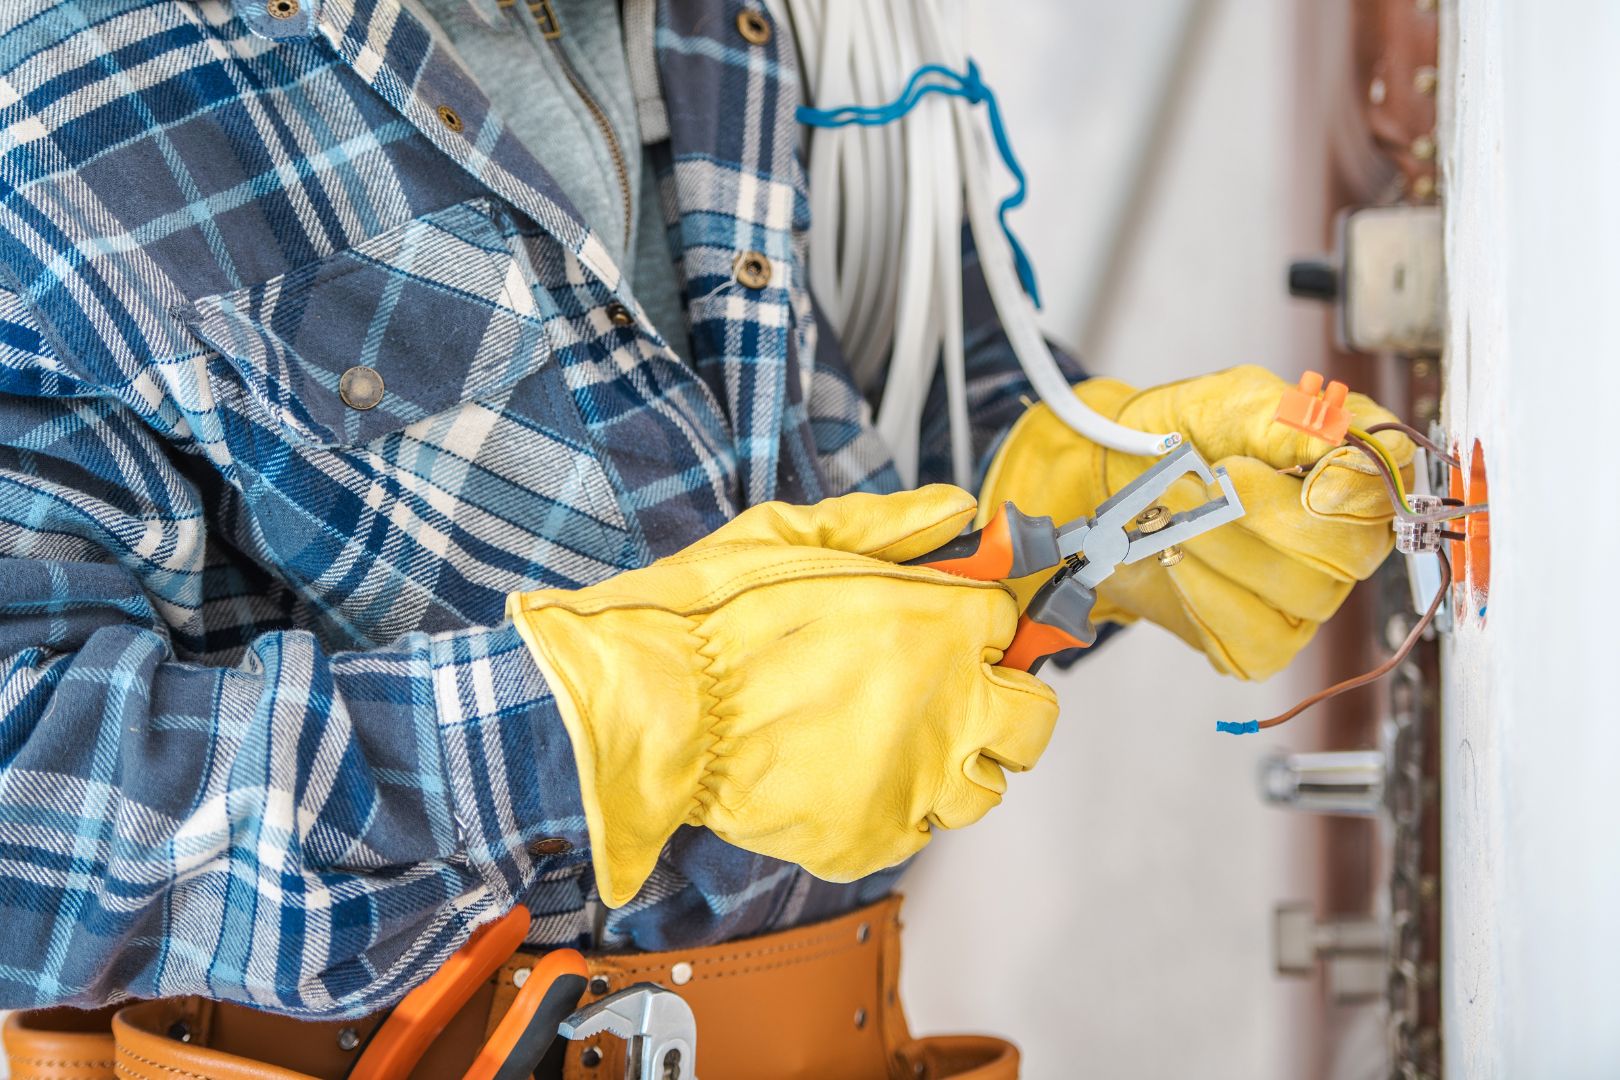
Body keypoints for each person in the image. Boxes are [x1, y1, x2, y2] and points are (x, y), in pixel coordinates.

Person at [0, 1, 1412, 1077]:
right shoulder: (54, 83)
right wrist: (624, 726)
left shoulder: (759, 20)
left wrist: (1081, 508)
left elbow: (873, 404)